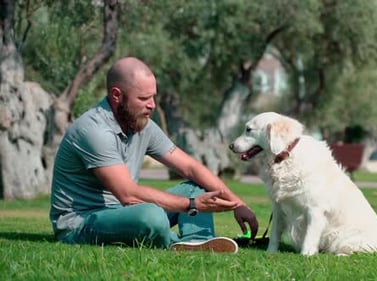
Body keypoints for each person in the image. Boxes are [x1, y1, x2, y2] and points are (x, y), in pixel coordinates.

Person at [49, 57, 258, 253]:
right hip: (82, 224)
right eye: (143, 98)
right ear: (116, 95)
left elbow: (190, 168)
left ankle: (199, 242)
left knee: (196, 186)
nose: (152, 105)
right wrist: (193, 204)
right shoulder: (94, 130)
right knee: (152, 215)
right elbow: (128, 195)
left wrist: (238, 204)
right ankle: (176, 242)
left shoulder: (142, 124)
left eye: (153, 96)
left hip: (124, 211)